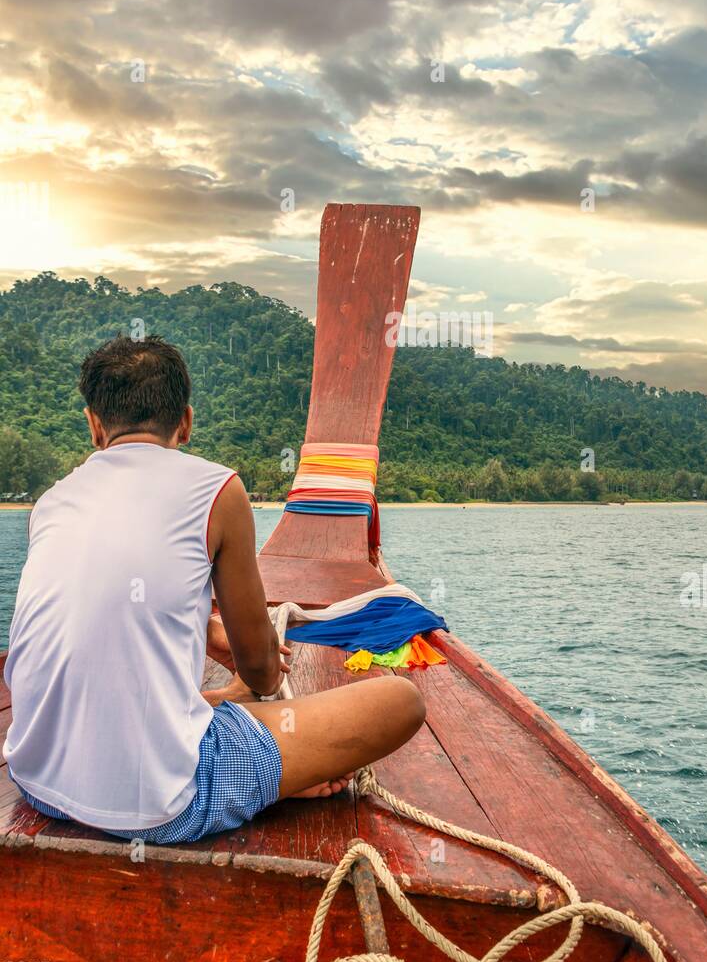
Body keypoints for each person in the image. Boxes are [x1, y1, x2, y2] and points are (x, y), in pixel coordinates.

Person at [2, 335, 424, 843]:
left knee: (199, 703)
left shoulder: (52, 500)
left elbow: (106, 599)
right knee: (400, 703)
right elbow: (263, 671)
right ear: (185, 420)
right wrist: (255, 675)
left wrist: (205, 630)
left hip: (38, 780)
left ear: (95, 424)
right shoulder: (218, 489)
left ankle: (222, 717)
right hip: (162, 804)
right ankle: (260, 777)